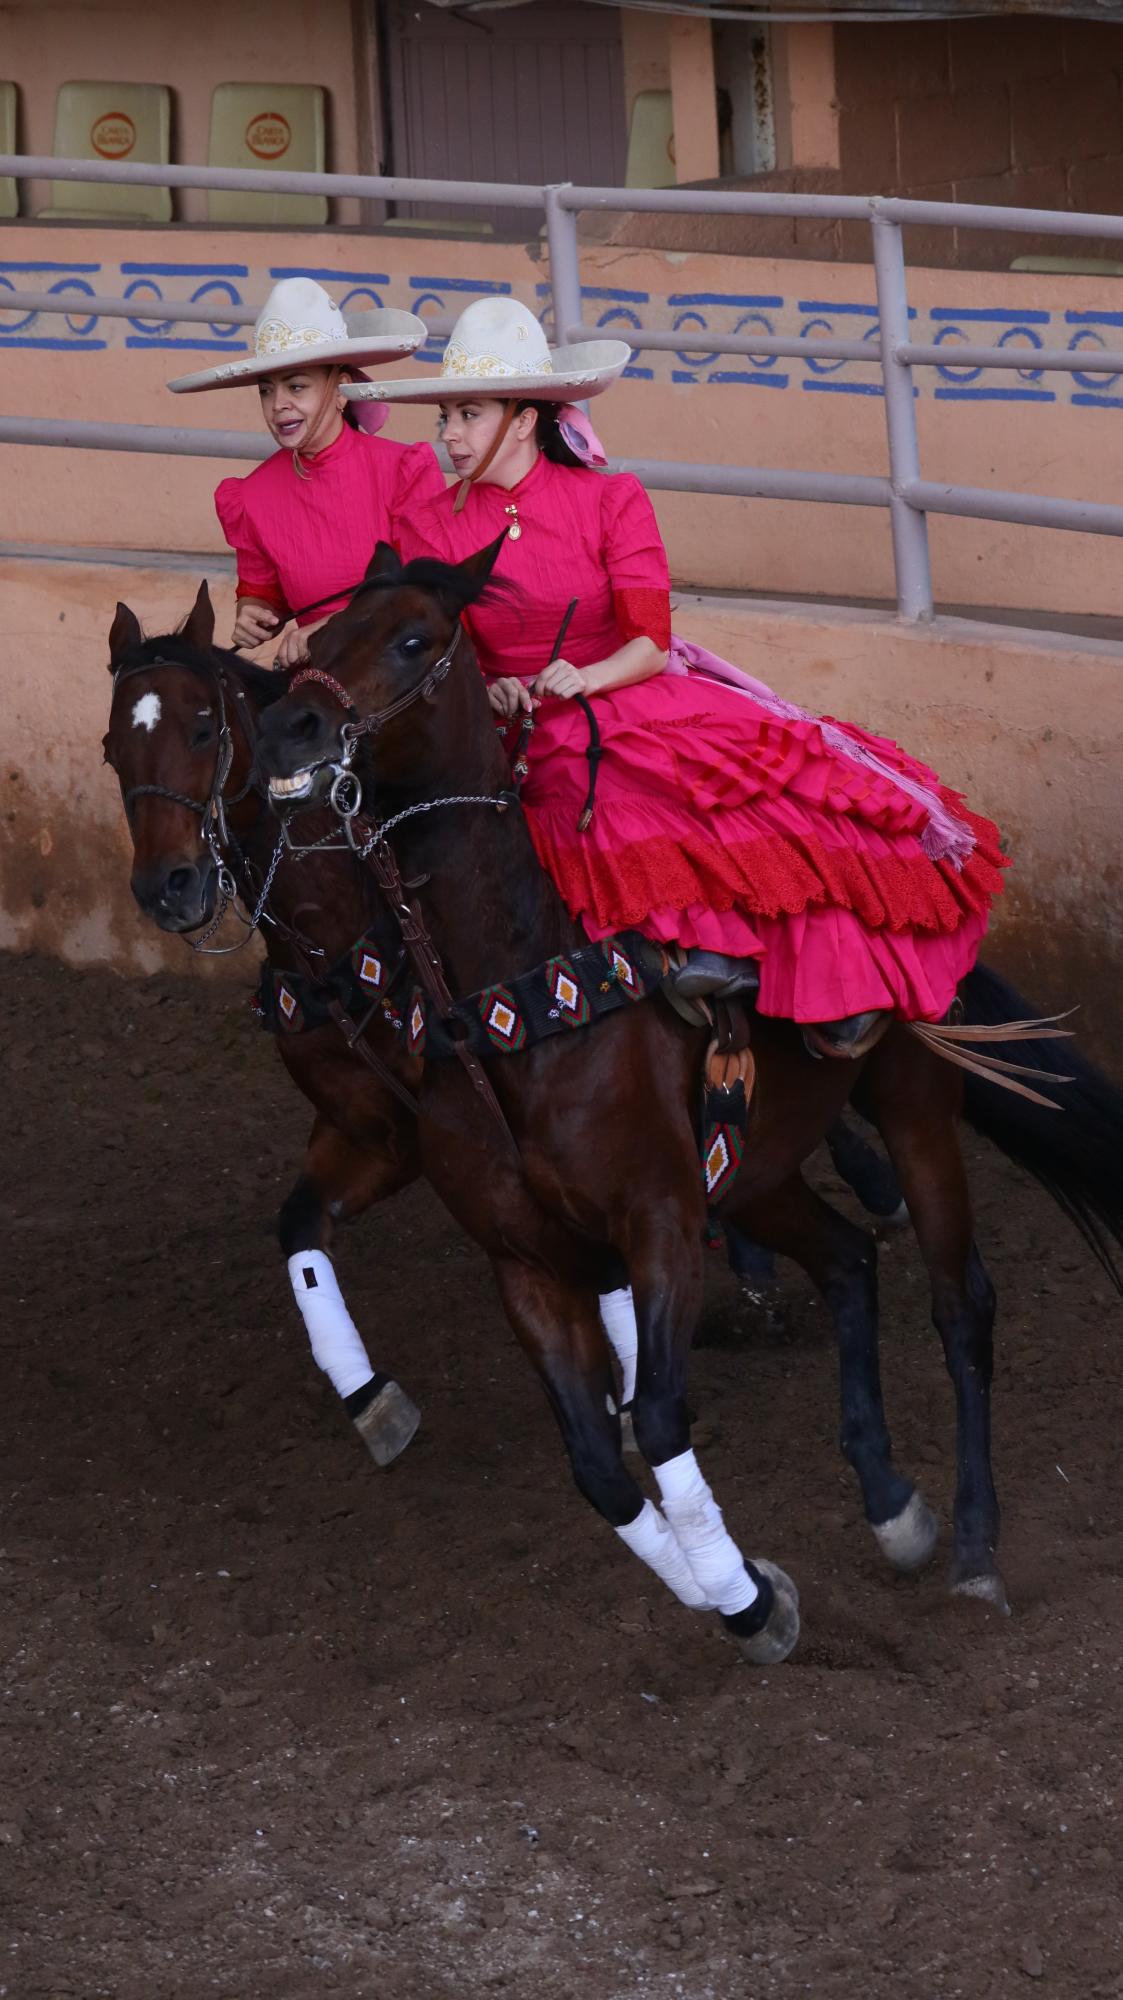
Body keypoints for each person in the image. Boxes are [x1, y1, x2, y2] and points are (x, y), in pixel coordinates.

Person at [350, 296, 1005, 1045]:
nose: (451, 435)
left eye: (468, 414)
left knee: (712, 801)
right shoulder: (424, 521)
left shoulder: (608, 499)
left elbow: (650, 644)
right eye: (445, 418)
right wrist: (486, 680)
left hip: (617, 695)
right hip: (505, 722)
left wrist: (584, 678)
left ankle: (780, 972)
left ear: (523, 418)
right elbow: (434, 643)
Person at [168, 278, 444, 666]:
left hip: (405, 676)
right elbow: (264, 593)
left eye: (296, 387)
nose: (278, 404)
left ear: (340, 390)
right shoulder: (251, 494)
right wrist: (255, 613)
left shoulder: (403, 470)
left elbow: (424, 592)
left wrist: (334, 625)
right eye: (266, 390)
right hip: (316, 685)